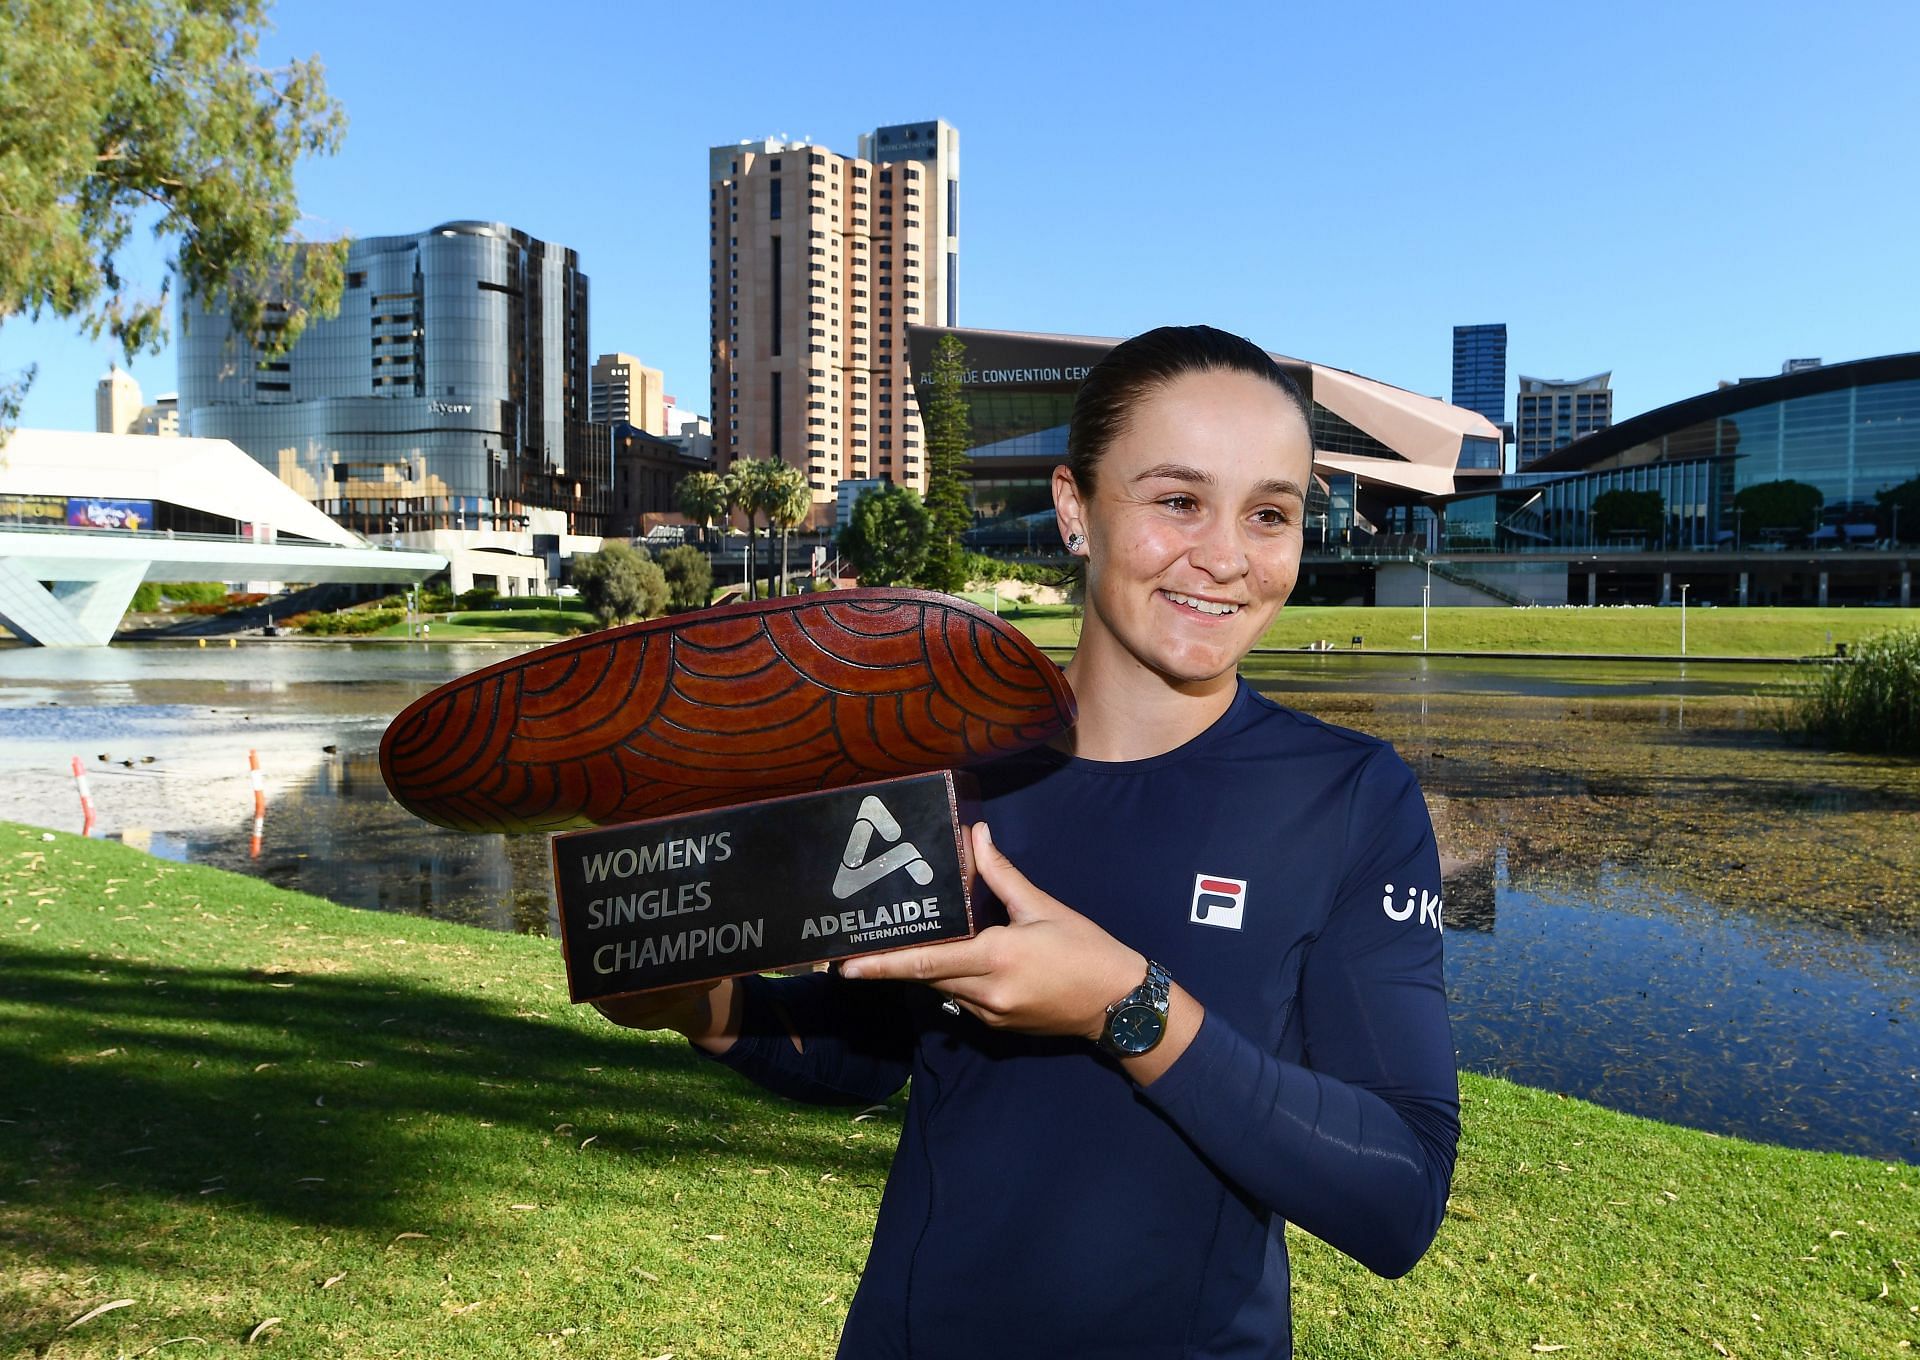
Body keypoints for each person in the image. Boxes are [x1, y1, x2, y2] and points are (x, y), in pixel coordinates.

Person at [597, 325, 1459, 1358]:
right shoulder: (941, 766)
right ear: (1074, 510)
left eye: (1269, 513)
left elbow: (1397, 1195)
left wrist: (1127, 1007)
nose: (1226, 556)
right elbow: (868, 1053)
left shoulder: (1348, 799)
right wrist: (705, 1005)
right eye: (1178, 500)